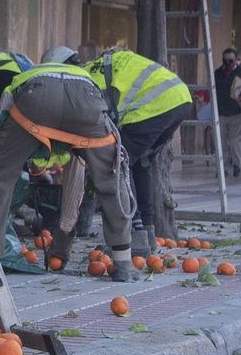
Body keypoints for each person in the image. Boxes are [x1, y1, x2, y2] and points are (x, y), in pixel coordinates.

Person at [0, 47, 137, 282]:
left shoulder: (28, 75)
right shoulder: (86, 78)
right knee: (111, 178)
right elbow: (74, 185)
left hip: (36, 97)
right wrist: (63, 239)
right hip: (87, 102)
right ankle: (123, 265)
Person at [83, 47, 194, 255]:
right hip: (180, 98)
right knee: (140, 162)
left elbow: (97, 121)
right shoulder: (106, 64)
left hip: (154, 107)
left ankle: (131, 236)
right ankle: (147, 235)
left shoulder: (85, 80)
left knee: (117, 163)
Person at [212, 49, 241, 177]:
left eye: (230, 60)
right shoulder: (217, 73)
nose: (227, 62)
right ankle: (222, 168)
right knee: (220, 141)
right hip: (221, 112)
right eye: (225, 59)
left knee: (234, 140)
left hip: (237, 112)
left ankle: (237, 165)